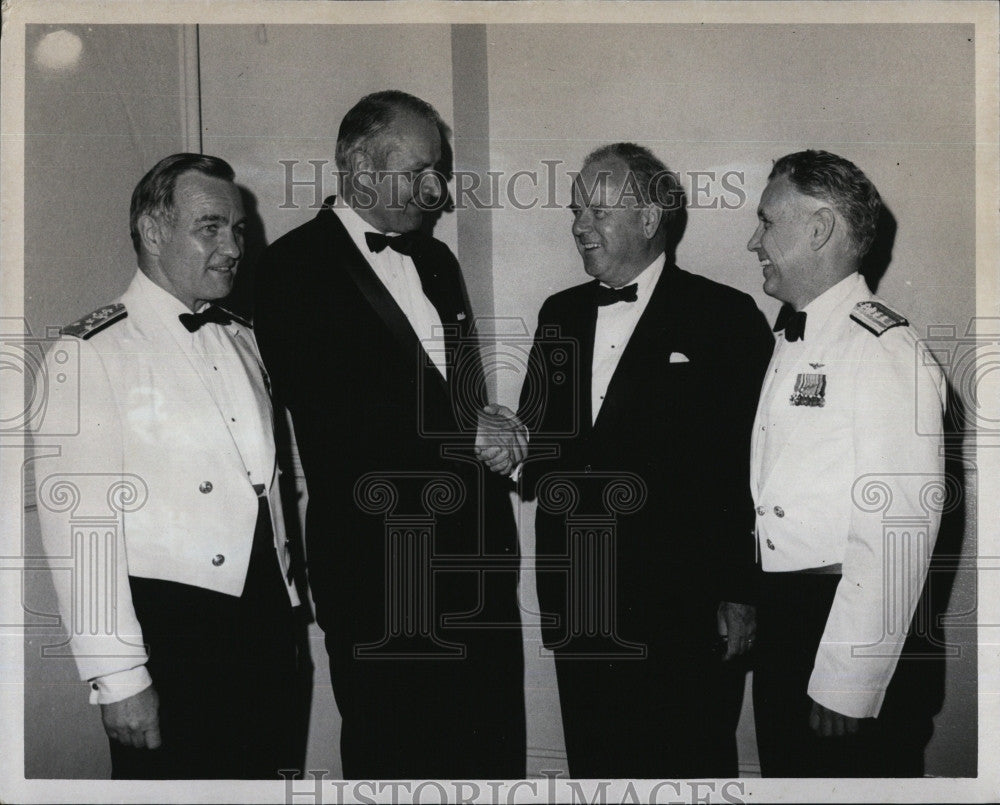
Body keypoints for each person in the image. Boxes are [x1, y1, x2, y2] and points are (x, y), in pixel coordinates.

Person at [254, 90, 526, 779]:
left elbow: (460, 403)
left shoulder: (437, 263)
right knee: (396, 760)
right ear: (356, 163)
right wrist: (462, 438)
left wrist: (493, 427)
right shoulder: (289, 271)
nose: (437, 190)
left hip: (478, 570)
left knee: (488, 759)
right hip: (382, 576)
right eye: (420, 171)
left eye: (439, 171)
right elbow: (334, 426)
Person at [482, 143, 774, 778]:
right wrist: (511, 440)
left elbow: (750, 468)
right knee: (597, 767)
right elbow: (544, 439)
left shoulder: (724, 316)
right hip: (580, 595)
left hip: (683, 606)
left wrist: (739, 592)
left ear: (650, 219)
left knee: (686, 768)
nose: (579, 226)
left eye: (597, 210)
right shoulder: (559, 313)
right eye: (575, 210)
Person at [33, 153, 302, 779]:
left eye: (237, 230)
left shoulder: (241, 335)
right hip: (173, 635)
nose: (232, 246)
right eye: (210, 227)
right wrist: (117, 675)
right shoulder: (91, 353)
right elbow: (81, 531)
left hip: (264, 621)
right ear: (153, 233)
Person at [746, 149, 946, 776]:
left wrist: (849, 679)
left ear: (819, 227)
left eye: (766, 222)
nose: (754, 241)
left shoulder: (884, 350)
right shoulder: (795, 335)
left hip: (840, 622)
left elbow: (898, 529)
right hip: (789, 615)